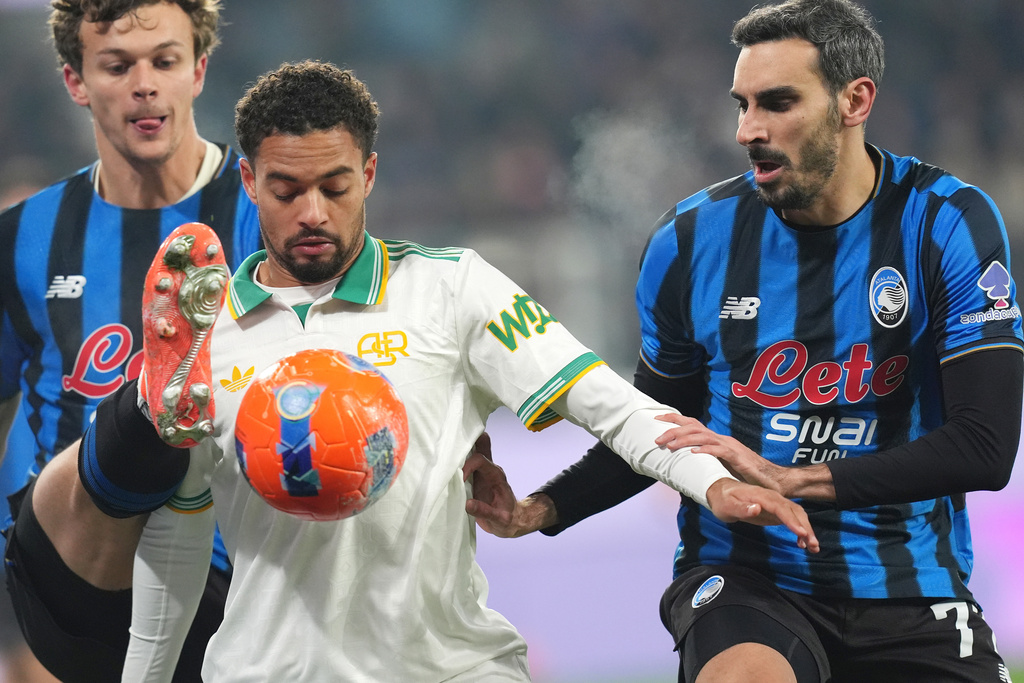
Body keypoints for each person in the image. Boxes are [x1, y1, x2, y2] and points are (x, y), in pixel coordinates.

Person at [77, 58, 820, 682]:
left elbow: (613, 406)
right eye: (285, 189)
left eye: (335, 186)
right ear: (246, 180)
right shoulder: (204, 336)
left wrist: (710, 480)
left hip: (449, 667)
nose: (312, 211)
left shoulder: (452, 288)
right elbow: (179, 523)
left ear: (369, 173)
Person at [465, 1, 1022, 682]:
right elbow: (654, 430)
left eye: (777, 103)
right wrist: (538, 508)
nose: (748, 130)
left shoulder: (946, 223)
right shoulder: (690, 242)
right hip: (745, 577)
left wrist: (794, 480)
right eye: (743, 105)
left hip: (911, 588)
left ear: (855, 100)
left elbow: (986, 445)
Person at [0, 1, 262, 681]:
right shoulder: (20, 239)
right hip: (66, 573)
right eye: (117, 65)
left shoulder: (273, 217)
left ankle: (164, 407)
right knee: (141, 436)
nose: (144, 83)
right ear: (75, 81)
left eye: (164, 61)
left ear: (199, 70)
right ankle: (155, 401)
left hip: (229, 586)